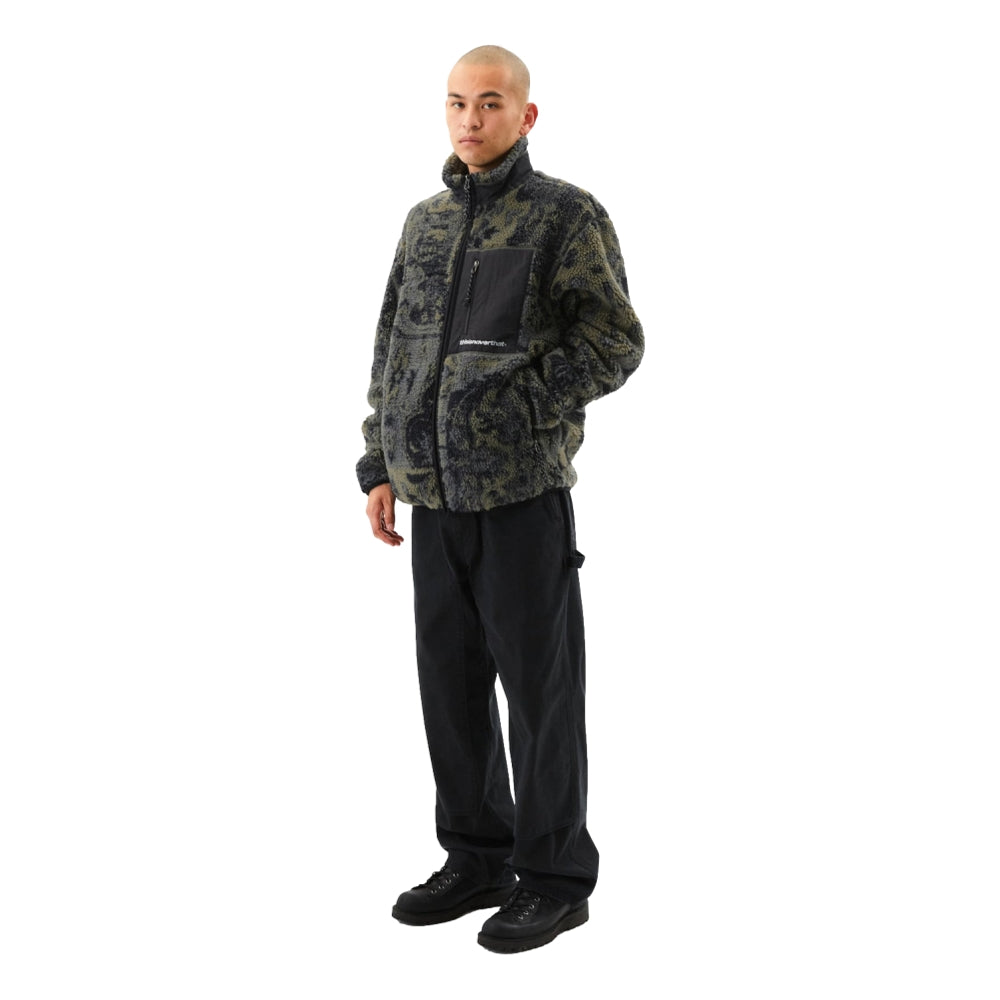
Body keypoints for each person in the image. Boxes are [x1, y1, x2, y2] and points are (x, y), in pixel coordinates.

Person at [357, 44, 644, 954]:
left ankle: (554, 877)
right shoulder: (424, 225)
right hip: (434, 503)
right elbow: (393, 350)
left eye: (489, 103)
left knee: (539, 695)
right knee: (450, 688)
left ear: (526, 115)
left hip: (521, 501)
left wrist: (519, 409)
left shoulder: (564, 215)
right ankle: (477, 856)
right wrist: (378, 462)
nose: (470, 119)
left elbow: (614, 339)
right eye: (456, 103)